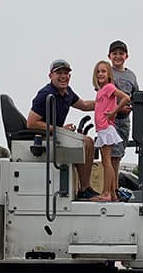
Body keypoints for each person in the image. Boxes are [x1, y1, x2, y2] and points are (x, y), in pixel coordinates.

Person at [26, 59, 98, 199]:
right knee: (87, 142)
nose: (63, 76)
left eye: (66, 73)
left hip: (56, 135)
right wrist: (59, 129)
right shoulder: (45, 94)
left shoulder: (67, 92)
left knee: (85, 141)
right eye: (59, 73)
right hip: (45, 139)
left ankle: (83, 188)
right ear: (50, 75)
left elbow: (83, 105)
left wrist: (105, 102)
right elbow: (31, 123)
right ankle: (84, 189)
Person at [90, 60, 130, 202]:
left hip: (106, 129)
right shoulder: (100, 91)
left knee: (106, 162)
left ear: (109, 74)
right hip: (101, 129)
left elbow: (126, 98)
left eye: (103, 71)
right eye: (98, 71)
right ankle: (112, 193)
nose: (100, 74)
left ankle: (106, 192)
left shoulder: (108, 87)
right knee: (106, 161)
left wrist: (114, 112)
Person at [107, 40, 139, 199]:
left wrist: (129, 107)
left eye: (121, 53)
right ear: (109, 56)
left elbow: (135, 96)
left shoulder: (131, 75)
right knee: (109, 156)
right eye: (115, 53)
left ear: (126, 56)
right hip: (109, 119)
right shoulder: (106, 72)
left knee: (118, 155)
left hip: (124, 121)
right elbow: (103, 95)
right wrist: (118, 107)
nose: (118, 56)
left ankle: (115, 189)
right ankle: (111, 191)